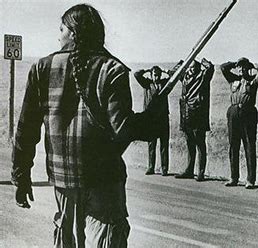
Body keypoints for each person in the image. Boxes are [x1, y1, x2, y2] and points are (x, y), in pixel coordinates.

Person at [11, 4, 169, 247]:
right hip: (104, 178)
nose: (58, 35)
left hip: (64, 179)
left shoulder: (41, 69)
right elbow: (124, 128)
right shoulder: (112, 69)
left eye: (61, 28)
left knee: (67, 239)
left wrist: (21, 176)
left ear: (73, 33)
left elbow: (26, 129)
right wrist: (153, 114)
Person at [220, 57, 258, 189]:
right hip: (233, 113)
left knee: (249, 146)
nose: (241, 69)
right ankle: (233, 177)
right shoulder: (233, 79)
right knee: (233, 146)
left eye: (244, 67)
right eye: (239, 67)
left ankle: (250, 180)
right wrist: (234, 64)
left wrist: (253, 66)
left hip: (248, 113)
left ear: (248, 68)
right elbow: (223, 67)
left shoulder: (253, 80)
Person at [175, 58, 215, 181]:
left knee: (200, 144)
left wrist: (203, 61)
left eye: (193, 67)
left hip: (198, 116)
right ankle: (189, 170)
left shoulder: (203, 77)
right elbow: (174, 72)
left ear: (198, 68)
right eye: (189, 67)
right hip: (186, 115)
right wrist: (182, 63)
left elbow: (210, 68)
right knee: (189, 144)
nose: (191, 70)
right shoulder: (185, 78)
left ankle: (201, 172)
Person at [134, 65, 173, 176]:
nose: (156, 76)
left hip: (163, 118)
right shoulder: (147, 84)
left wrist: (166, 70)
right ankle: (151, 167)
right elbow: (136, 74)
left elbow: (174, 75)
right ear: (151, 75)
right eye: (154, 74)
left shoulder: (165, 83)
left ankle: (164, 168)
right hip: (151, 118)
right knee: (151, 144)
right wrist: (146, 70)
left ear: (160, 75)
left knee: (164, 144)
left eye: (158, 74)